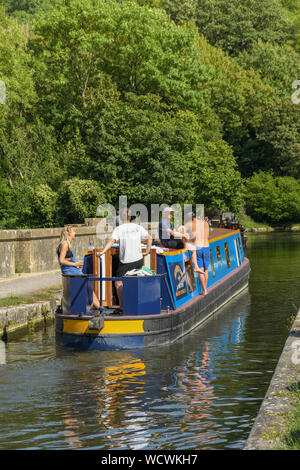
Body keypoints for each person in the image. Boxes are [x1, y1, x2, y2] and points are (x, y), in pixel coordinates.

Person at [99, 209, 152, 310]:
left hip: (126, 261)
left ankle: (122, 307)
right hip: (138, 259)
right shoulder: (137, 227)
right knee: (136, 281)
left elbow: (111, 241)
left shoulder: (119, 229)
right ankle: (138, 305)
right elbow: (149, 238)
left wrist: (103, 251)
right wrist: (147, 252)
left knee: (118, 282)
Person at [57, 225, 100, 310]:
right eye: (73, 231)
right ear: (68, 233)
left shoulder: (68, 244)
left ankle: (93, 306)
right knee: (88, 284)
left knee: (88, 285)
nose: (75, 233)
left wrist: (76, 265)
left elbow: (67, 260)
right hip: (71, 272)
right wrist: (75, 264)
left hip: (73, 270)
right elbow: (61, 261)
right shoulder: (65, 244)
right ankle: (98, 307)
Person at [183, 213, 210, 295]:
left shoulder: (191, 225)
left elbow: (192, 237)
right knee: (206, 270)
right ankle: (206, 288)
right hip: (206, 246)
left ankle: (204, 290)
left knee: (200, 270)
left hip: (198, 248)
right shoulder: (205, 223)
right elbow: (207, 235)